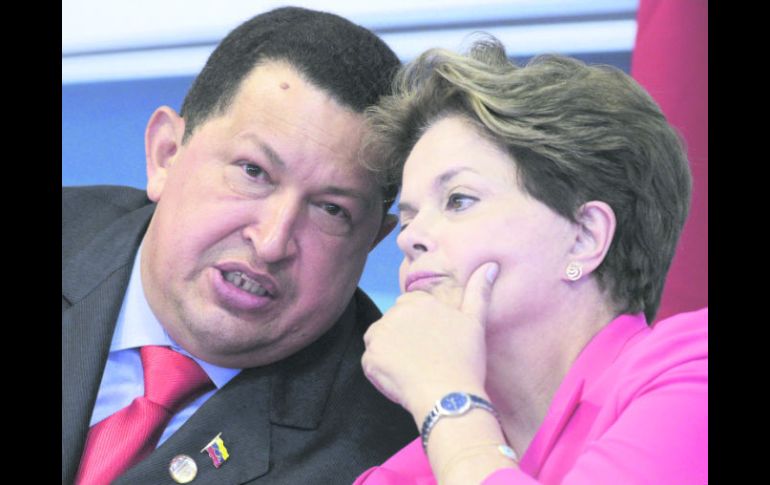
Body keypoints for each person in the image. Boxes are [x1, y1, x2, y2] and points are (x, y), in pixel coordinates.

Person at [62, 7, 418, 484]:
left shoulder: (388, 453)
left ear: (373, 241)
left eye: (331, 209)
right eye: (253, 172)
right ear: (165, 153)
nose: (272, 243)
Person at [355, 37, 707, 484]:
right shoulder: (400, 476)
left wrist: (446, 399)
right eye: (407, 220)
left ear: (584, 237)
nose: (411, 240)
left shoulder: (694, 378)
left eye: (458, 200)